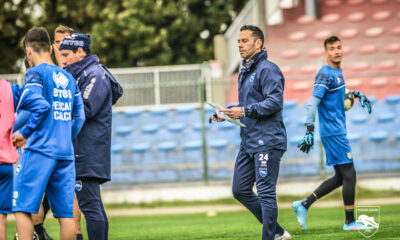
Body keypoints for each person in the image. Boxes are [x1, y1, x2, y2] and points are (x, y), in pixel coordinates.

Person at [210, 25, 291, 240]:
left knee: (265, 193)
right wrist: (226, 113)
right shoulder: (245, 71)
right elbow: (248, 104)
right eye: (238, 41)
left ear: (258, 43)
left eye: (244, 41)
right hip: (249, 141)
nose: (239, 45)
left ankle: (269, 237)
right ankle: (278, 232)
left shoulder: (268, 69)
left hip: (267, 140)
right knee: (240, 190)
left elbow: (274, 102)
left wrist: (244, 110)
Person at [292, 36, 372, 231]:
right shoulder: (325, 73)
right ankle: (350, 222)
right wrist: (309, 129)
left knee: (340, 177)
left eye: (339, 47)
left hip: (336, 130)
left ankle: (303, 204)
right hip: (333, 132)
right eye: (332, 49)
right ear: (326, 53)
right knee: (350, 174)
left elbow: (336, 94)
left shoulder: (337, 72)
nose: (336, 51)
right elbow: (312, 103)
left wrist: (356, 94)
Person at [12, 26, 85, 240]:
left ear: (28, 51)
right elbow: (79, 117)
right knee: (65, 215)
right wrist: (63, 136)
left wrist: (21, 131)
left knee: (22, 206)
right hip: (65, 152)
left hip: (40, 149)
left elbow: (37, 106)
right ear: (51, 50)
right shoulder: (69, 78)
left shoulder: (35, 73)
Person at [60, 33, 112, 240]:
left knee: (90, 207)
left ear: (80, 52)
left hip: (87, 151)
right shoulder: (83, 74)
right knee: (94, 205)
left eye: (66, 54)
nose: (62, 59)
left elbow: (86, 109)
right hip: (85, 149)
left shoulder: (94, 74)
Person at [0, 78, 50, 240]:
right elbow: (42, 106)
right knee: (1, 220)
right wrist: (23, 132)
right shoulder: (8, 88)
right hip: (4, 163)